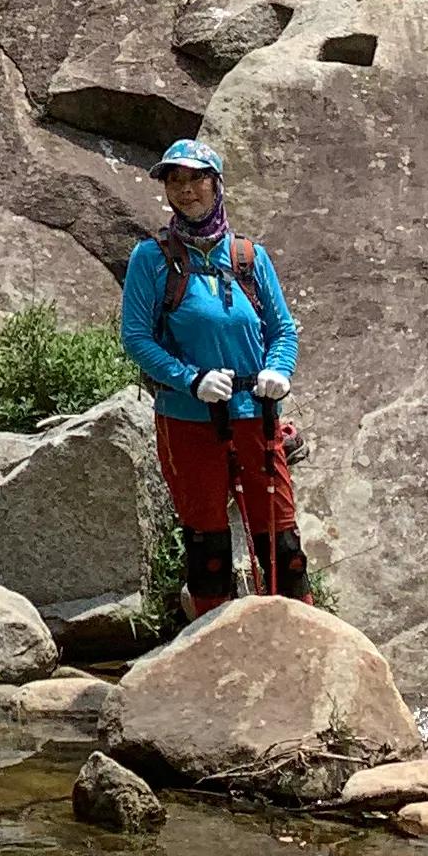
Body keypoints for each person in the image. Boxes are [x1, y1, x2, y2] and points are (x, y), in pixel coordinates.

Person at [117, 139, 307, 617]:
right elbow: (137, 338)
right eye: (174, 181)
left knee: (282, 545)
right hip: (187, 420)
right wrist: (190, 378)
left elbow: (282, 328)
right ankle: (210, 658)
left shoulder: (249, 257)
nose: (186, 191)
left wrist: (278, 370)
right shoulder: (151, 259)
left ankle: (301, 652)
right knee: (209, 549)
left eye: (196, 179)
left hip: (255, 417)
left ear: (216, 184)